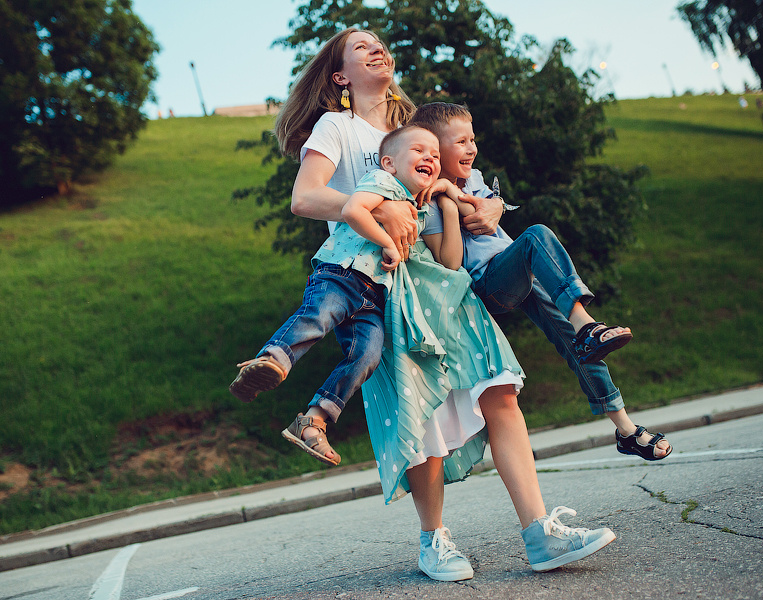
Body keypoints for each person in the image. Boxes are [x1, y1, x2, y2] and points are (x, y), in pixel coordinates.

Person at [267, 28, 617, 581]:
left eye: (379, 41)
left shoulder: (417, 130)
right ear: (340, 77)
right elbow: (305, 197)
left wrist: (486, 205)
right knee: (420, 414)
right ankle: (434, 540)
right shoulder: (339, 126)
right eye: (359, 48)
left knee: (498, 391)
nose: (375, 48)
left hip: (444, 280)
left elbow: (460, 185)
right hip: (380, 286)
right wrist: (378, 210)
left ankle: (540, 532)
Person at [410, 102, 672, 461]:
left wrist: (477, 198)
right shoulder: (427, 192)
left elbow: (487, 215)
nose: (471, 148)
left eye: (473, 139)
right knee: (535, 235)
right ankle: (587, 327)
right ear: (436, 149)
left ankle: (626, 429)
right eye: (461, 142)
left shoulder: (474, 178)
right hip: (488, 284)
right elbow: (459, 246)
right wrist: (452, 198)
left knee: (575, 342)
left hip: (516, 270)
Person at [228, 125, 464, 466]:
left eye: (436, 155)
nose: (431, 157)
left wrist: (454, 200)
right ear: (390, 163)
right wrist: (387, 243)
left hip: (373, 298)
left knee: (366, 356)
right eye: (419, 150)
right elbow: (354, 210)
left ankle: (313, 420)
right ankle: (270, 361)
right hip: (341, 273)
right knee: (318, 316)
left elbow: (447, 261)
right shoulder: (381, 183)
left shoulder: (419, 210)